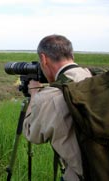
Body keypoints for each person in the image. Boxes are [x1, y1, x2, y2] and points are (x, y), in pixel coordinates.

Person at [23, 34, 92, 180]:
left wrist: (34, 94)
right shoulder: (95, 77)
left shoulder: (50, 97)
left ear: (43, 59)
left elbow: (31, 133)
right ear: (71, 55)